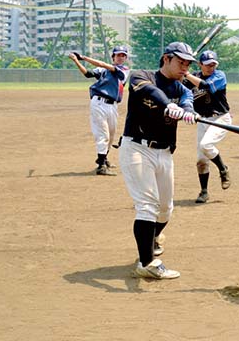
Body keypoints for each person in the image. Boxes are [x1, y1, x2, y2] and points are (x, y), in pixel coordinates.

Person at [119, 42, 197, 280]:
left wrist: (187, 111)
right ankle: (146, 262)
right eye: (180, 62)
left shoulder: (183, 88)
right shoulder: (141, 76)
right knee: (148, 205)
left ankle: (151, 238)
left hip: (164, 152)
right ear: (166, 58)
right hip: (137, 148)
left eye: (188, 64)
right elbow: (150, 92)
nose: (185, 67)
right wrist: (169, 105)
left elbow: (187, 100)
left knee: (165, 209)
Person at [68, 46, 130, 176]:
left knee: (111, 135)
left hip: (113, 105)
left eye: (123, 55)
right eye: (118, 55)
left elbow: (104, 64)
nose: (121, 57)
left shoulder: (124, 70)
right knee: (103, 135)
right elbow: (88, 74)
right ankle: (101, 166)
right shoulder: (103, 69)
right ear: (113, 57)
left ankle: (104, 158)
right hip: (98, 103)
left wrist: (83, 57)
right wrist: (76, 61)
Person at [183, 50, 232, 204]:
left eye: (213, 64)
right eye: (208, 65)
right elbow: (178, 88)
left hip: (220, 118)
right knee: (201, 159)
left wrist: (187, 74)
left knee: (206, 145)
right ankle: (204, 192)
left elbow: (207, 86)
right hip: (202, 120)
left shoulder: (219, 76)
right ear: (200, 65)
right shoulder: (192, 77)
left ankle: (223, 169)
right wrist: (180, 74)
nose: (211, 67)